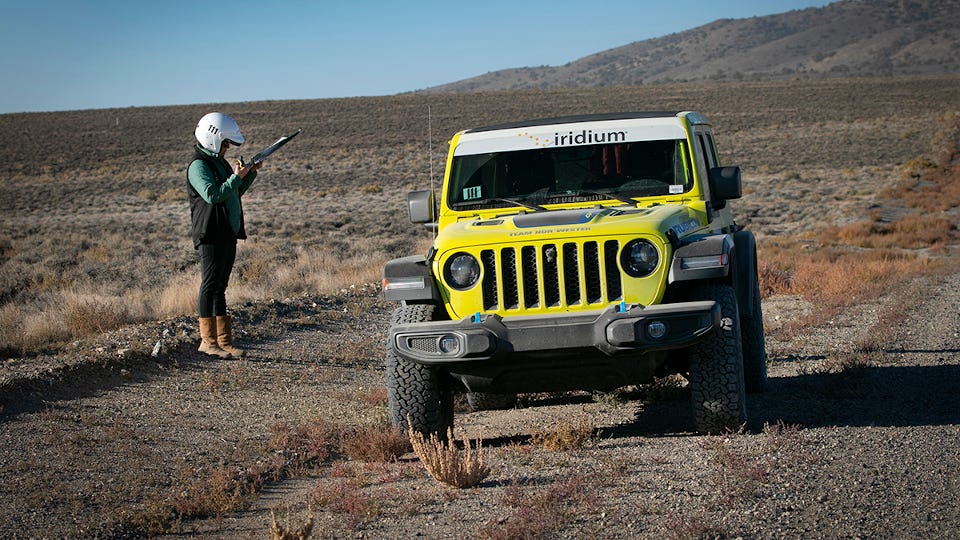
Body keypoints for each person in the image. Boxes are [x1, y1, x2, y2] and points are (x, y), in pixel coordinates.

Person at [187, 112, 262, 358]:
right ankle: (207, 342)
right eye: (226, 143)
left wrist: (248, 174)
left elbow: (232, 192)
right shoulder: (199, 166)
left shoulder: (219, 163)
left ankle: (224, 341)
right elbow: (213, 194)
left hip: (226, 232)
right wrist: (235, 177)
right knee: (210, 285)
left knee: (220, 287)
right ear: (213, 138)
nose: (228, 148)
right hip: (210, 232)